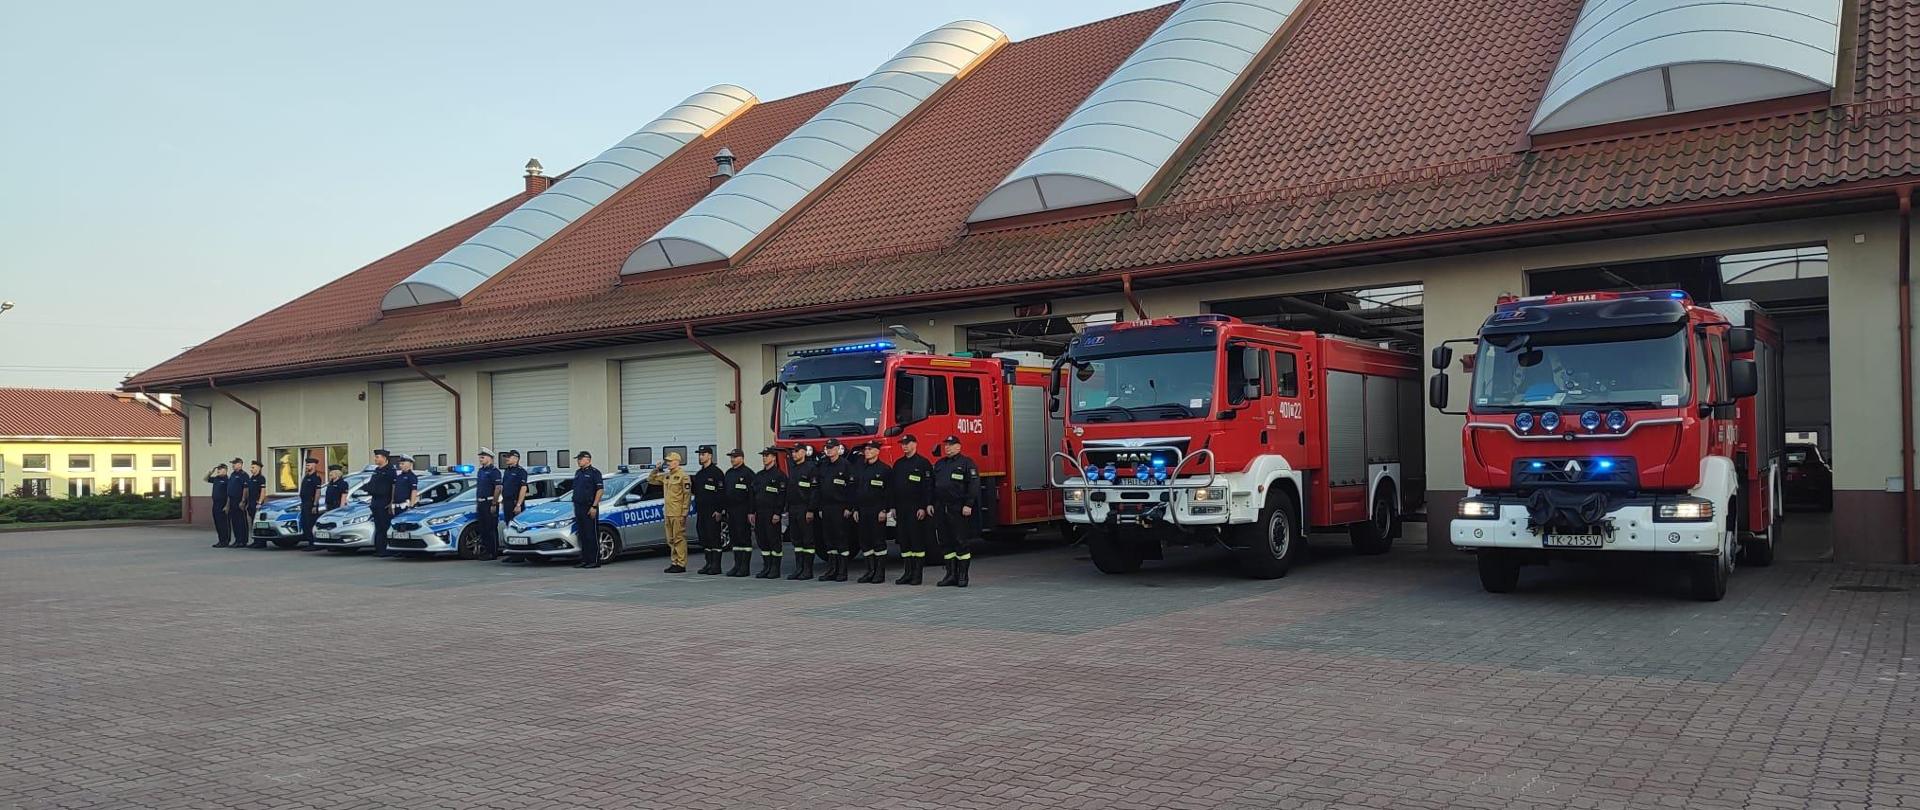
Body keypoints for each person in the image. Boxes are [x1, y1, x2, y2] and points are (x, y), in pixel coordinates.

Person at [932, 435, 981, 588]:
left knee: (961, 542)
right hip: (941, 508)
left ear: (959, 447)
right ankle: (950, 574)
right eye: (946, 445)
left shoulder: (967, 463)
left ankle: (962, 576)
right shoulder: (940, 464)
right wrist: (931, 503)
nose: (947, 447)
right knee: (946, 543)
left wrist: (969, 504)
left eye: (951, 445)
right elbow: (933, 486)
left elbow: (973, 486)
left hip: (958, 508)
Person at [890, 435, 934, 585]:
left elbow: (928, 488)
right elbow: (893, 488)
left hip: (916, 508)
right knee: (904, 541)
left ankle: (917, 574)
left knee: (917, 542)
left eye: (907, 443)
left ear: (915, 444)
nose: (904, 446)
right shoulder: (898, 464)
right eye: (902, 444)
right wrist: (893, 507)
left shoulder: (923, 463)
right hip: (901, 509)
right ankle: (907, 573)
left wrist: (924, 506)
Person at [852, 441, 892, 584]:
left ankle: (880, 573)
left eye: (870, 449)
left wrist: (884, 510)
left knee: (878, 541)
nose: (867, 451)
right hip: (863, 510)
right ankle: (870, 571)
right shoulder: (860, 469)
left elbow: (888, 492)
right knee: (865, 541)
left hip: (877, 510)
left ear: (877, 451)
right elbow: (856, 491)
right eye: (865, 449)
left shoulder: (884, 469)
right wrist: (855, 509)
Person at [648, 450, 693, 573]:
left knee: (679, 538)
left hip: (678, 512)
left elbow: (686, 495)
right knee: (670, 539)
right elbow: (651, 480)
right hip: (668, 512)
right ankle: (674, 562)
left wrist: (684, 512)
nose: (668, 463)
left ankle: (681, 563)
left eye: (670, 461)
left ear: (677, 462)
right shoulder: (667, 475)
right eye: (667, 461)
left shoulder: (683, 476)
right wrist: (656, 469)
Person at [814, 439, 853, 582]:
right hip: (826, 507)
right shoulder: (823, 466)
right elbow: (818, 488)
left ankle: (842, 571)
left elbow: (851, 488)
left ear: (838, 449)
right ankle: (832, 570)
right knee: (829, 540)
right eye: (827, 448)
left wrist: (849, 507)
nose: (828, 450)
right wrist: (819, 507)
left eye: (831, 448)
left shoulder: (845, 465)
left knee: (841, 538)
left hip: (840, 507)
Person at [750, 447, 787, 578]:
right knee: (762, 540)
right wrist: (752, 512)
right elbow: (753, 495)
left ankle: (775, 569)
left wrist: (778, 513)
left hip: (772, 513)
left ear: (773, 458)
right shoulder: (759, 475)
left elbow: (781, 496)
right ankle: (767, 567)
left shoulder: (779, 476)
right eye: (763, 456)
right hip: (760, 513)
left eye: (767, 455)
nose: (764, 458)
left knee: (773, 540)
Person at [690, 446, 726, 575]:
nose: (701, 457)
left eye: (703, 454)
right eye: (699, 454)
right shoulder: (699, 474)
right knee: (704, 537)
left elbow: (721, 493)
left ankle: (716, 566)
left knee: (714, 537)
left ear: (710, 456)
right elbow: (695, 491)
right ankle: (708, 563)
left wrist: (719, 510)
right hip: (702, 511)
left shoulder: (716, 473)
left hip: (713, 511)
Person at [784, 444, 817, 580]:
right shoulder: (793, 468)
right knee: (796, 540)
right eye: (793, 451)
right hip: (793, 508)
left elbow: (814, 491)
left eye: (797, 451)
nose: (794, 454)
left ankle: (808, 570)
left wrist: (811, 510)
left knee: (807, 540)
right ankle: (799, 569)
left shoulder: (811, 468)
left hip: (805, 508)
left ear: (804, 452)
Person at [721, 449, 754, 577]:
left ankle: (744, 567)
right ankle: (737, 565)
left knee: (743, 538)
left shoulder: (748, 474)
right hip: (731, 510)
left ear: (742, 458)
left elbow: (752, 495)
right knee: (734, 538)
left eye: (735, 457)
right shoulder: (729, 473)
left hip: (743, 510)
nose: (732, 459)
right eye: (731, 457)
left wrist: (751, 512)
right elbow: (725, 492)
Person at [570, 451, 604, 569]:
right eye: (578, 459)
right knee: (582, 535)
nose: (578, 461)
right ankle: (584, 559)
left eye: (580, 459)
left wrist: (594, 506)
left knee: (591, 535)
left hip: (589, 507)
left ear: (588, 459)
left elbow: (599, 490)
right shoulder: (578, 473)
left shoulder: (594, 473)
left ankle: (594, 560)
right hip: (578, 507)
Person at [499, 450, 529, 563]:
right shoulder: (507, 471)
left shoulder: (521, 472)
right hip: (506, 502)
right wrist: (501, 501)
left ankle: (519, 555)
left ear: (516, 458)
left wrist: (518, 504)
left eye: (509, 457)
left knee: (517, 529)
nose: (506, 459)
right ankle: (512, 553)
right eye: (506, 457)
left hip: (515, 503)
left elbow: (523, 488)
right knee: (509, 527)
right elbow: (503, 487)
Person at [385, 456, 419, 557]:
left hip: (405, 506)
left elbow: (414, 491)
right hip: (396, 506)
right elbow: (394, 490)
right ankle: (399, 548)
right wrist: (391, 503)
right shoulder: (399, 476)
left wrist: (412, 505)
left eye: (403, 464)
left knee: (404, 528)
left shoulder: (411, 476)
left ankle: (407, 550)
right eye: (400, 464)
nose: (401, 466)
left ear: (409, 464)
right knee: (396, 528)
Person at [365, 450, 397, 557]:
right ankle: (379, 549)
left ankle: (386, 549)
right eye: (375, 457)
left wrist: (391, 502)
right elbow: (372, 484)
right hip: (375, 501)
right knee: (378, 526)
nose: (375, 459)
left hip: (384, 501)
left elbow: (393, 487)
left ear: (385, 458)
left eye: (378, 457)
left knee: (384, 526)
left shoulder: (390, 471)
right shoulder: (376, 470)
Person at [473, 449, 502, 561]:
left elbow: (498, 488)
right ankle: (486, 550)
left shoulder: (494, 471)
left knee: (491, 528)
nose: (480, 460)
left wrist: (494, 503)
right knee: (483, 528)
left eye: (483, 457)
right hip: (481, 502)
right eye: (480, 457)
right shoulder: (480, 471)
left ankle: (493, 552)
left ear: (490, 458)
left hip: (489, 502)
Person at [298, 458, 323, 550]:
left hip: (311, 503)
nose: (307, 466)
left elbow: (318, 492)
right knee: (305, 523)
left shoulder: (316, 478)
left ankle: (314, 543)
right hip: (304, 503)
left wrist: (315, 504)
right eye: (306, 465)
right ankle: (309, 542)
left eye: (308, 465)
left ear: (313, 465)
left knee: (310, 523)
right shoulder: (306, 477)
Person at [225, 459, 250, 550]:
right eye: (232, 464)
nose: (233, 465)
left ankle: (242, 541)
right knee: (234, 521)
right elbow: (229, 490)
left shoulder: (244, 475)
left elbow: (246, 488)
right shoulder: (232, 475)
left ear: (240, 464)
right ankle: (237, 540)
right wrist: (227, 504)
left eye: (235, 464)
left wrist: (243, 501)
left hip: (239, 500)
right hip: (232, 500)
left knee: (241, 521)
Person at [206, 463, 232, 547]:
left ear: (225, 470)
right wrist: (210, 472)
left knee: (224, 524)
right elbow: (205, 479)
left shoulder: (227, 480)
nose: (218, 471)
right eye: (218, 469)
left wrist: (227, 506)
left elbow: (229, 494)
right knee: (217, 523)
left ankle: (225, 541)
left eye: (220, 469)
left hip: (223, 504)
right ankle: (220, 540)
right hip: (216, 504)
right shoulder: (216, 478)